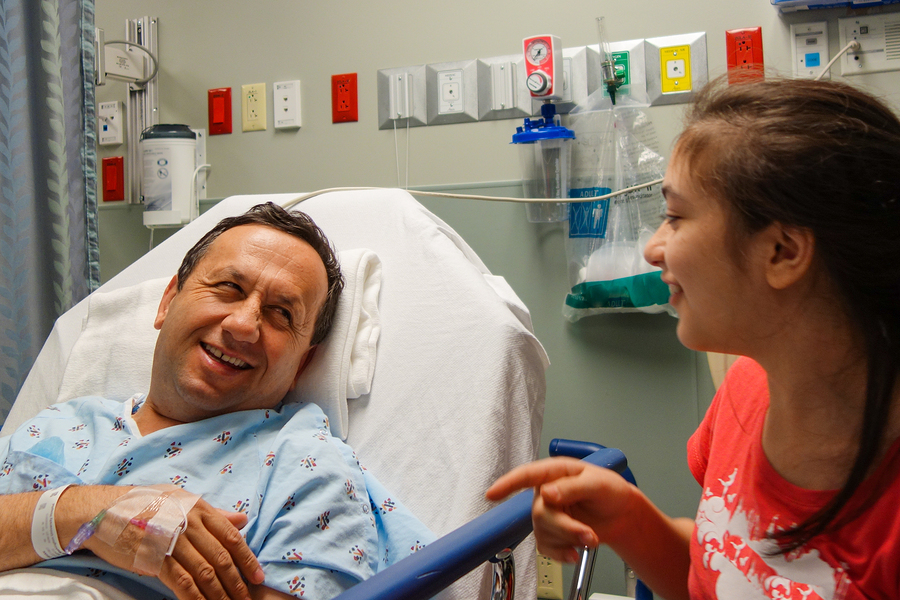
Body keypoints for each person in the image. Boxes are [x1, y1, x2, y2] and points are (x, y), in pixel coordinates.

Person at [487, 76, 900, 599]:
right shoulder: (745, 395)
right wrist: (628, 520)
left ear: (782, 251)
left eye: (676, 217)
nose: (654, 249)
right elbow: (725, 573)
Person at [0, 203, 433, 600]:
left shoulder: (305, 466)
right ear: (168, 302)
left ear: (303, 364)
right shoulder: (60, 422)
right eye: (228, 287)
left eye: (282, 313)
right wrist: (83, 513)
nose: (244, 325)